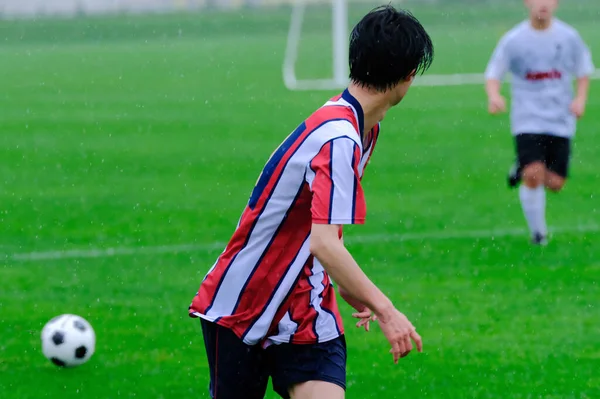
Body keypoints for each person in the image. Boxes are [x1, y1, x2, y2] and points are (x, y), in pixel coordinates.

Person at [187, 5, 434, 398]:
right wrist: (386, 310)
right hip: (243, 304)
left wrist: (350, 287)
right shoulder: (339, 137)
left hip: (306, 305)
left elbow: (319, 231)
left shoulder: (363, 129)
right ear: (406, 77)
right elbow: (324, 242)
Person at [484, 0, 595, 245]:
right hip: (527, 119)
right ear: (527, 3)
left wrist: (580, 99)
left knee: (556, 183)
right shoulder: (514, 40)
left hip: (560, 119)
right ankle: (539, 235)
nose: (542, 4)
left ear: (556, 4)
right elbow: (494, 72)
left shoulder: (569, 37)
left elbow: (584, 70)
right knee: (533, 175)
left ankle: (520, 169)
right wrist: (494, 96)